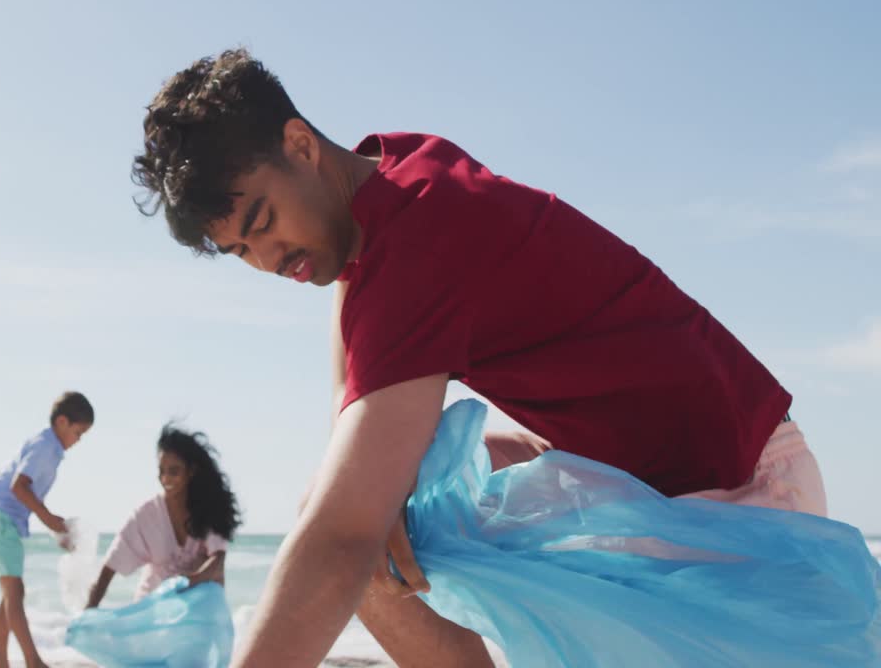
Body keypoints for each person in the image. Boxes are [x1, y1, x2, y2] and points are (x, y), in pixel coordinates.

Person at [130, 48, 826, 667]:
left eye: (262, 223)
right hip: (625, 487)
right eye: (242, 252)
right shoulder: (392, 174)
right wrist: (369, 495)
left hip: (743, 500)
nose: (269, 260)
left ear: (300, 145)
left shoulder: (419, 242)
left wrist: (361, 511)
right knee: (361, 500)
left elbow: (340, 538)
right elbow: (354, 375)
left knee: (352, 528)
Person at [0, 391, 94, 668]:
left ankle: (2, 663)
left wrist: (55, 529)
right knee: (15, 592)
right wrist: (48, 518)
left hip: (0, 517)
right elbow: (19, 486)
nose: (78, 440)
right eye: (78, 432)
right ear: (63, 422)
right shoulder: (45, 446)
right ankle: (33, 661)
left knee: (11, 593)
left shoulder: (48, 447)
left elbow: (29, 495)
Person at [85, 424, 241, 608]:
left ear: (191, 471)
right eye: (162, 471)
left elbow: (218, 561)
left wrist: (188, 582)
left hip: (196, 612)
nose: (165, 479)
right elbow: (109, 568)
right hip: (153, 611)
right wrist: (88, 612)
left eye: (173, 471)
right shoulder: (146, 516)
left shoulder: (208, 509)